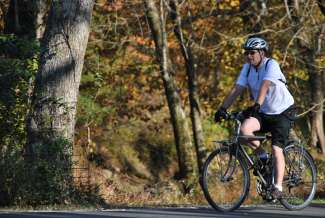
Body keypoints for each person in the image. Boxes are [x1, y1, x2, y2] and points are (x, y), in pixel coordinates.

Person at [214, 36, 294, 199]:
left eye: (252, 53)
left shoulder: (271, 64)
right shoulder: (248, 68)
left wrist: (256, 105)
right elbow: (237, 89)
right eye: (246, 53)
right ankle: (263, 157)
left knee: (276, 148)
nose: (249, 56)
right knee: (244, 130)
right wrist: (222, 108)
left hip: (283, 111)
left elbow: (265, 84)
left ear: (262, 53)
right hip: (264, 111)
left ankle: (278, 187)